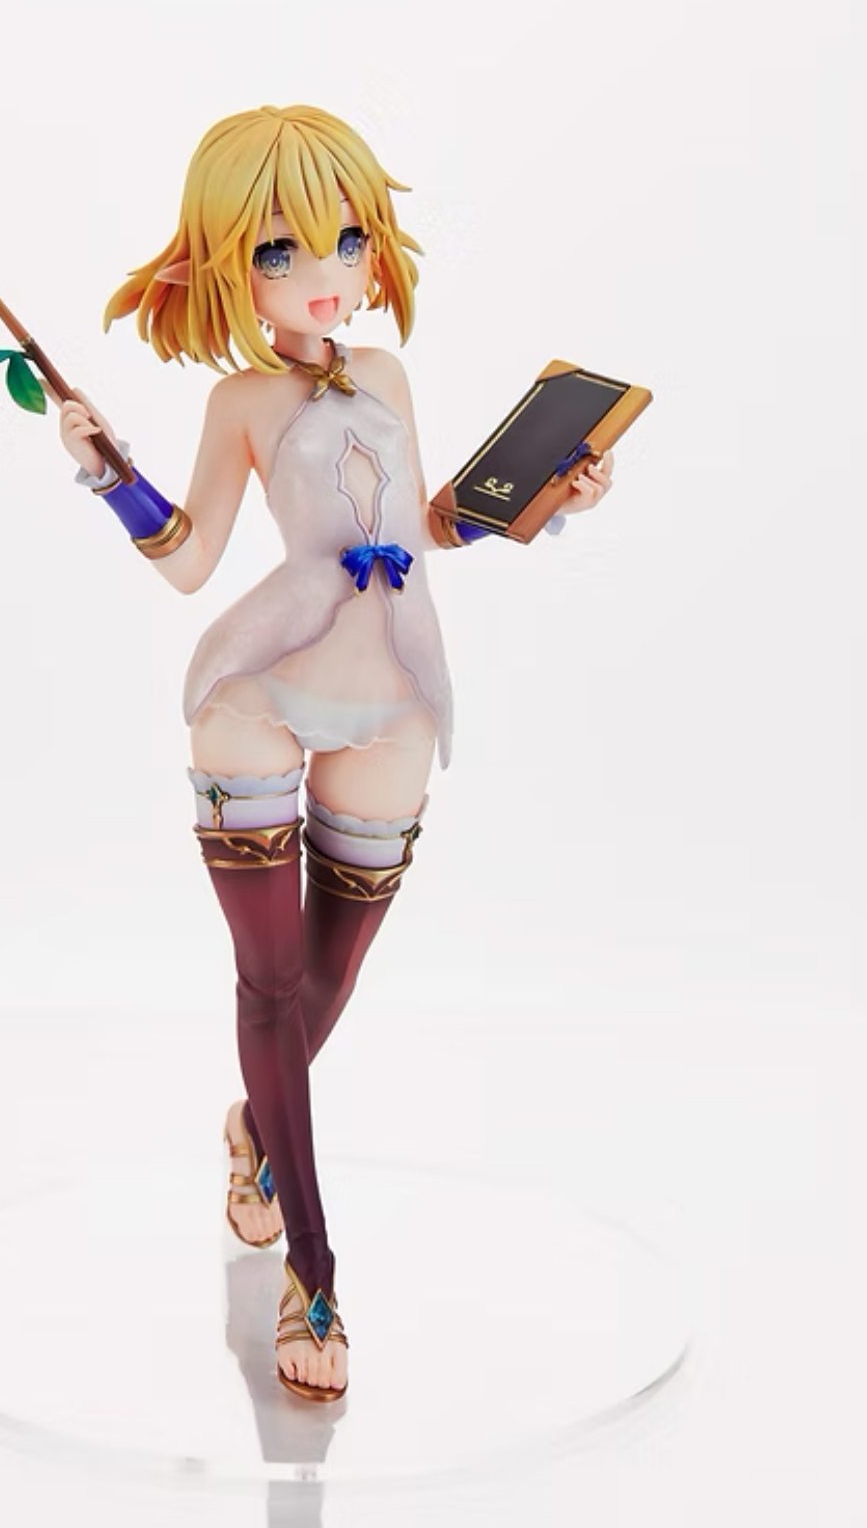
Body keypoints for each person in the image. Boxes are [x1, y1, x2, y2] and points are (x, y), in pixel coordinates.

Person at [54, 104, 614, 1401]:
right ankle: (314, 1267)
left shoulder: (390, 379)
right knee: (268, 986)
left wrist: (546, 497)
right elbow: (190, 559)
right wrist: (106, 469)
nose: (324, 272)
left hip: (397, 692)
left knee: (327, 974)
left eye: (348, 239)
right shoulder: (242, 399)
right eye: (279, 249)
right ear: (224, 265)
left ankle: (255, 1127)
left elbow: (428, 525)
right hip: (258, 690)